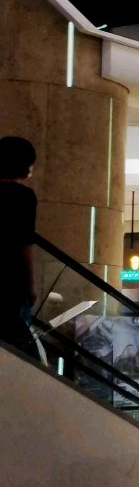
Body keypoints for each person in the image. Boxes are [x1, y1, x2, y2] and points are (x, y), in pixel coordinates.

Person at [0, 136, 38, 358]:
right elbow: (25, 244)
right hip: (9, 280)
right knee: (21, 349)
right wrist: (29, 285)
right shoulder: (22, 197)